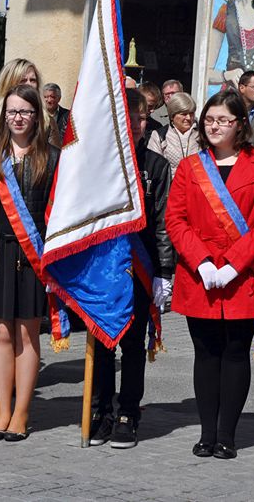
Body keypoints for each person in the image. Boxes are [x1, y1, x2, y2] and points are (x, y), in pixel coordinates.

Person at [165, 90, 254, 459]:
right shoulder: (189, 167)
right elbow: (175, 218)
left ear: (240, 125)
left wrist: (233, 263)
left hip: (243, 276)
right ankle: (206, 432)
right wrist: (201, 261)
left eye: (223, 120)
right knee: (205, 353)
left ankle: (227, 434)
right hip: (199, 276)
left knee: (235, 352)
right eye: (210, 120)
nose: (215, 126)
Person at [0, 84, 58, 441]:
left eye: (25, 112)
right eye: (12, 112)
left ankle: (21, 413)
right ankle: (1, 412)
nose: (18, 118)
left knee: (26, 335)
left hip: (33, 259)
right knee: (0, 335)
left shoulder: (51, 157)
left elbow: (55, 214)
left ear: (37, 116)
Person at [91, 89, 173, 449]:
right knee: (102, 342)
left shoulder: (156, 165)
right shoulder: (97, 163)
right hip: (102, 269)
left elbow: (163, 223)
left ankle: (127, 412)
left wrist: (164, 272)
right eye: (130, 117)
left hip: (140, 269)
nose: (138, 125)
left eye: (144, 117)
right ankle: (101, 411)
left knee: (133, 346)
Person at [0, 59, 50, 148]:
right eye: (23, 80)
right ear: (8, 83)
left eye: (33, 80)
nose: (29, 84)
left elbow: (55, 158)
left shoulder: (47, 121)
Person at [147, 92, 200, 178]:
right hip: (169, 188)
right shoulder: (160, 136)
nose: (188, 118)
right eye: (183, 114)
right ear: (172, 116)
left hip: (196, 187)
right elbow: (154, 167)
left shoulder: (202, 135)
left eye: (191, 113)